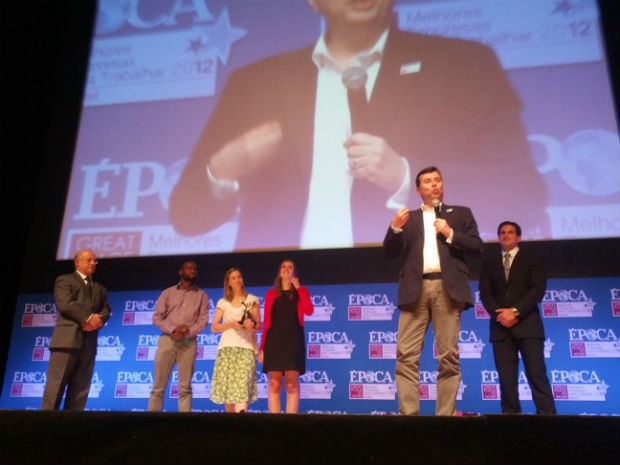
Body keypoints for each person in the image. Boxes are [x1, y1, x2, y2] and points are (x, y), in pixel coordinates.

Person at [169, 0, 548, 251]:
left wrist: (404, 176)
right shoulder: (255, 82)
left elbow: (523, 197)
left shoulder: (463, 65)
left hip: (415, 285)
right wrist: (221, 171)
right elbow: (187, 217)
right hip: (286, 291)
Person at [383, 166, 483, 416]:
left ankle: (445, 416)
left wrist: (450, 233)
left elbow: (477, 247)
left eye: (438, 180)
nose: (434, 184)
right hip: (414, 289)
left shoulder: (459, 214)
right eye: (428, 181)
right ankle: (409, 415)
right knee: (406, 354)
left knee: (448, 355)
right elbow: (390, 252)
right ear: (418, 190)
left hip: (447, 288)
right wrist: (395, 228)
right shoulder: (409, 218)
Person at [478, 221, 557, 414]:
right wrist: (501, 314)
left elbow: (537, 289)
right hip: (501, 329)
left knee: (537, 375)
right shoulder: (489, 262)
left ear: (519, 237)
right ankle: (511, 424)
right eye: (502, 233)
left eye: (510, 232)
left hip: (528, 327)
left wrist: (514, 312)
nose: (506, 235)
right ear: (498, 237)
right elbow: (485, 293)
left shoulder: (532, 258)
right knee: (507, 381)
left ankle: (549, 420)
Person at [41, 249, 111, 410]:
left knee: (80, 392)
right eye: (89, 260)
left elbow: (106, 308)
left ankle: (72, 430)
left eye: (95, 260)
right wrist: (88, 319)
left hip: (88, 345)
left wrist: (99, 319)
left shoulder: (99, 288)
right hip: (66, 342)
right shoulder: (64, 281)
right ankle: (44, 428)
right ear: (77, 262)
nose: (93, 263)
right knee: (55, 389)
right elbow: (66, 305)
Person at [147, 260, 209, 412]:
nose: (192, 270)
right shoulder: (168, 292)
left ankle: (184, 425)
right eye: (189, 268)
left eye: (195, 268)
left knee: (185, 387)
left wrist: (186, 332)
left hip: (188, 341)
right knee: (158, 387)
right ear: (181, 272)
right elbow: (156, 317)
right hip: (168, 340)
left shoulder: (202, 295)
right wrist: (174, 330)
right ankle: (150, 424)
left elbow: (203, 322)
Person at [258, 260, 314, 413]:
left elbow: (309, 310)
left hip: (293, 342)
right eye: (283, 266)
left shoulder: (300, 292)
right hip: (274, 342)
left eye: (290, 267)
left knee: (291, 385)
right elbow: (267, 323)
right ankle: (275, 424)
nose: (286, 269)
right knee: (274, 385)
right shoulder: (271, 294)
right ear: (279, 272)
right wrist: (262, 347)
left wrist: (299, 287)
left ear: (294, 273)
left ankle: (290, 424)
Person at [209, 267, 261, 413]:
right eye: (234, 278)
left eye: (239, 276)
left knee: (242, 388)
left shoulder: (252, 300)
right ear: (228, 282)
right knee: (228, 391)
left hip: (245, 348)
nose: (237, 279)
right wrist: (231, 325)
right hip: (226, 349)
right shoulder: (223, 302)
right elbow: (214, 327)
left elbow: (258, 326)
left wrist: (249, 325)